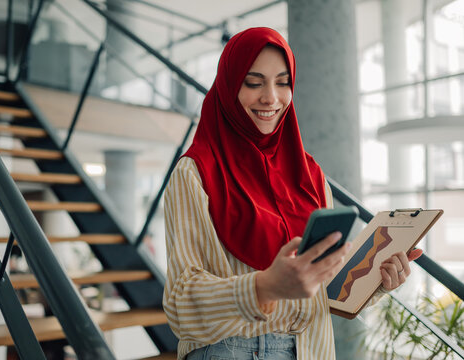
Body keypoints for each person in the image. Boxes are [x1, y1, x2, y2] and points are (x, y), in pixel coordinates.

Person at [163, 27, 422, 360]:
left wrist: (376, 282)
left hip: (311, 349)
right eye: (253, 83)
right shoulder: (195, 173)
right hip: (231, 350)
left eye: (282, 82)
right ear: (228, 87)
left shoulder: (310, 174)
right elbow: (180, 305)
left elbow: (320, 289)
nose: (271, 97)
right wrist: (265, 286)